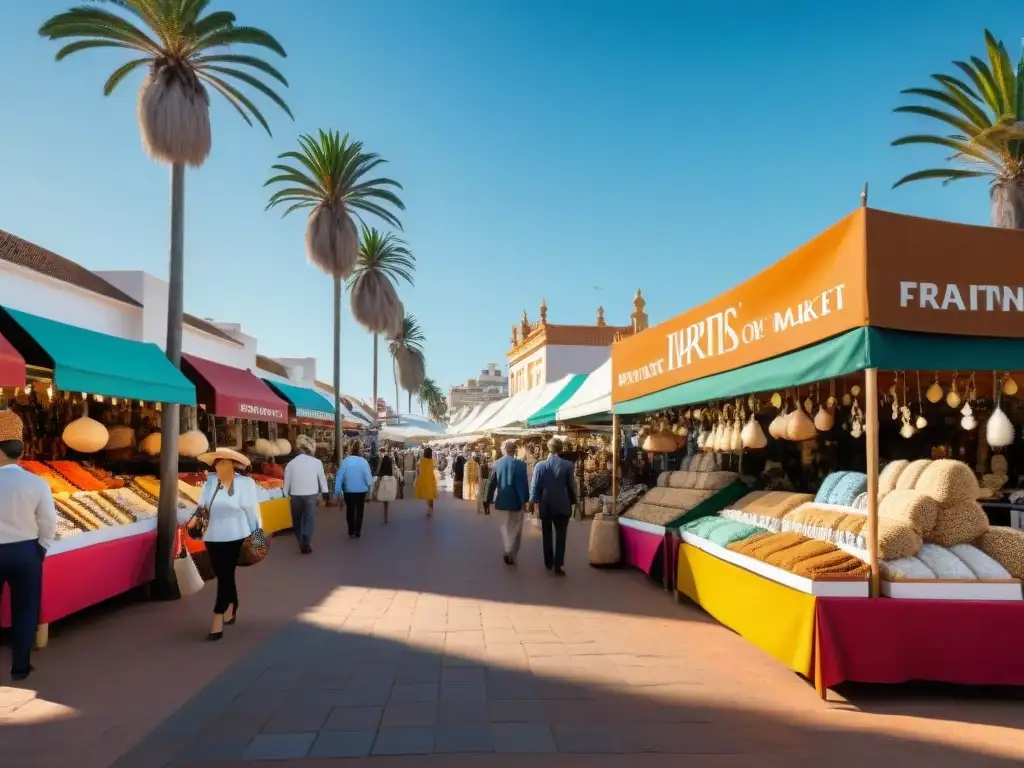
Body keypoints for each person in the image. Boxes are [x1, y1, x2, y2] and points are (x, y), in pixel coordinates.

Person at [0, 409, 56, 681]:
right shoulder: (37, 482)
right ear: (19, 452)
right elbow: (48, 523)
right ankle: (20, 667)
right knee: (25, 608)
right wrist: (41, 549)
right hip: (26, 552)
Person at [189, 448, 261, 640]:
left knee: (225, 575)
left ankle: (218, 616)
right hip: (212, 536)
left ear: (233, 464)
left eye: (224, 462)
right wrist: (193, 519)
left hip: (235, 535)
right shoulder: (210, 483)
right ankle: (233, 603)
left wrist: (257, 534)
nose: (220, 466)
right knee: (224, 574)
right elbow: (202, 507)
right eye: (217, 463)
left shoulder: (245, 483)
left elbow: (252, 511)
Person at [529, 437, 577, 576]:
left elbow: (535, 486)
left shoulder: (540, 465)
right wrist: (575, 502)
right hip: (562, 503)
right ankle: (558, 564)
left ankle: (548, 561)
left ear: (548, 448)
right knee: (561, 535)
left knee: (547, 533)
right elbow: (571, 486)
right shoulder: (568, 465)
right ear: (561, 448)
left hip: (546, 503)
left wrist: (532, 502)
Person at [283, 434, 328, 554]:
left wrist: (284, 494)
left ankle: (300, 541)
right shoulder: (317, 462)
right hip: (311, 494)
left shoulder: (291, 463)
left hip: (295, 495)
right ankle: (306, 542)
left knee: (297, 520)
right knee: (309, 518)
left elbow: (286, 481)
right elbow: (322, 479)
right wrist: (325, 493)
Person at [486, 439, 529, 565]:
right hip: (516, 500)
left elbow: (492, 482)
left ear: (504, 450)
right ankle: (510, 551)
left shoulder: (496, 464)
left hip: (501, 500)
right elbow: (523, 484)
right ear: (515, 450)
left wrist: (488, 499)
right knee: (515, 527)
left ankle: (507, 549)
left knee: (505, 527)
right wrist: (525, 500)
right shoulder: (521, 465)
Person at [334, 440, 373, 538]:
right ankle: (358, 530)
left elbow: (340, 477)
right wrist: (369, 488)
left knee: (350, 510)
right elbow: (368, 477)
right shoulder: (364, 462)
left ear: (350, 449)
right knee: (360, 510)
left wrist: (337, 491)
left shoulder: (345, 461)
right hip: (361, 491)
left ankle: (351, 529)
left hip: (349, 490)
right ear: (360, 450)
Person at [374, 453, 398, 524]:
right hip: (389, 482)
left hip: (383, 483)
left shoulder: (382, 469)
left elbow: (379, 475)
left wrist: (376, 487)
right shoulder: (391, 469)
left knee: (384, 501)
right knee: (387, 501)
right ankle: (386, 516)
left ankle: (385, 516)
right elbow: (394, 474)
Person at [414, 446, 438, 516]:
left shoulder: (421, 460)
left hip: (423, 478)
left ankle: (429, 509)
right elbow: (435, 467)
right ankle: (430, 509)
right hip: (430, 478)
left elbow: (417, 468)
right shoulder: (433, 460)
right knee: (431, 495)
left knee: (427, 494)